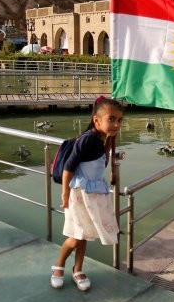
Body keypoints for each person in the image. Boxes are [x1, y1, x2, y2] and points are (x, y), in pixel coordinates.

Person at [50, 96, 124, 291]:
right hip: (79, 195)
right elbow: (69, 167)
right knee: (76, 236)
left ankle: (78, 269)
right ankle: (58, 266)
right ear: (96, 120)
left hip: (92, 195)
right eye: (111, 119)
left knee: (85, 234)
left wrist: (110, 141)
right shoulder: (89, 139)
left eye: (119, 120)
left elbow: (101, 162)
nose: (116, 124)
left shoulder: (102, 138)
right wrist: (64, 193)